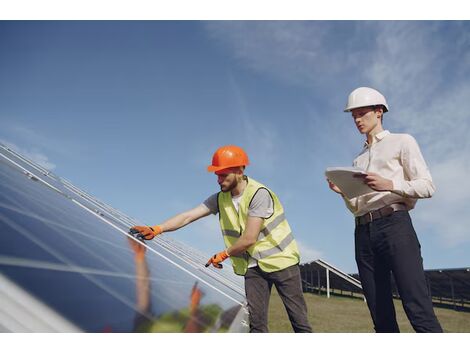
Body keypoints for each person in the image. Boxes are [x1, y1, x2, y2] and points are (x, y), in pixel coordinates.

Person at [130, 145, 312, 333]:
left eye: (223, 175)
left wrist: (224, 254)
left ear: (240, 171)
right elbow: (189, 216)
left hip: (281, 261)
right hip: (252, 267)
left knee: (299, 323)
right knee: (256, 327)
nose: (219, 180)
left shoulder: (259, 194)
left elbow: (249, 238)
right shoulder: (220, 198)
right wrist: (158, 228)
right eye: (217, 175)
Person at [327, 87, 442, 333]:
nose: (357, 120)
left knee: (416, 305)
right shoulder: (358, 160)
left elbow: (427, 186)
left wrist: (389, 184)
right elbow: (358, 207)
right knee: (380, 314)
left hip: (395, 226)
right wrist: (344, 193)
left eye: (362, 113)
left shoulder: (402, 141)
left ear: (379, 112)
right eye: (353, 116)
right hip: (363, 232)